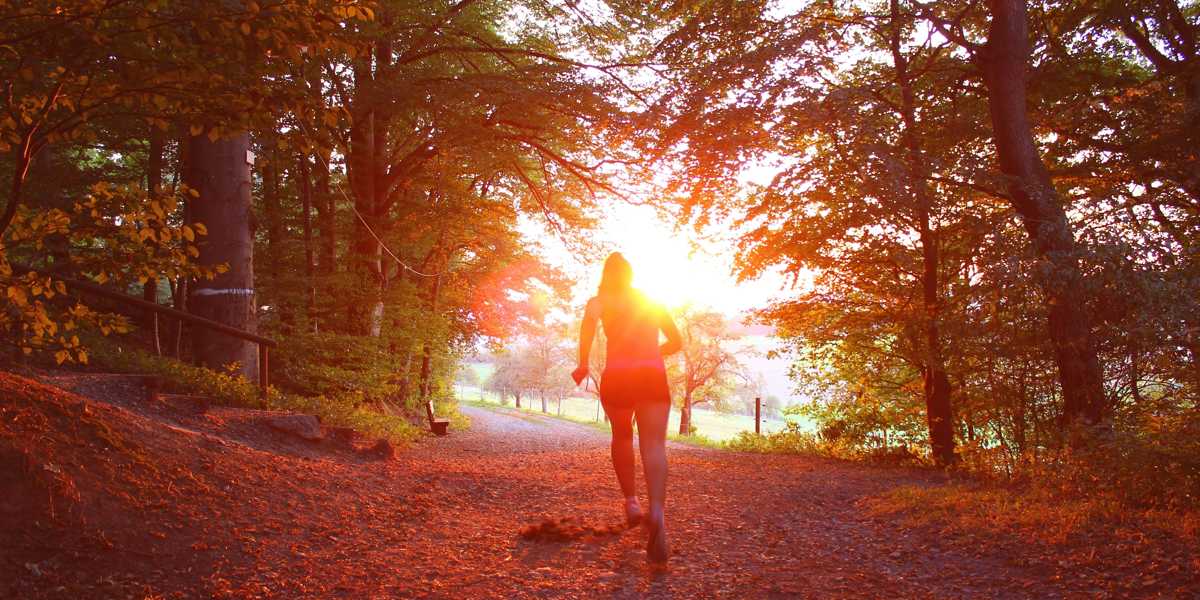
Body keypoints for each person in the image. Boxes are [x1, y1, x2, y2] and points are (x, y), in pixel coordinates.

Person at [572, 252, 682, 564]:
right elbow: (677, 341)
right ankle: (657, 512)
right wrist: (651, 351)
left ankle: (632, 503)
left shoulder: (599, 301)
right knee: (654, 445)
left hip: (618, 376)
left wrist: (582, 364)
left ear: (606, 275)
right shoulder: (651, 301)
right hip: (651, 375)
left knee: (622, 436)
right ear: (631, 276)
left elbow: (587, 332)